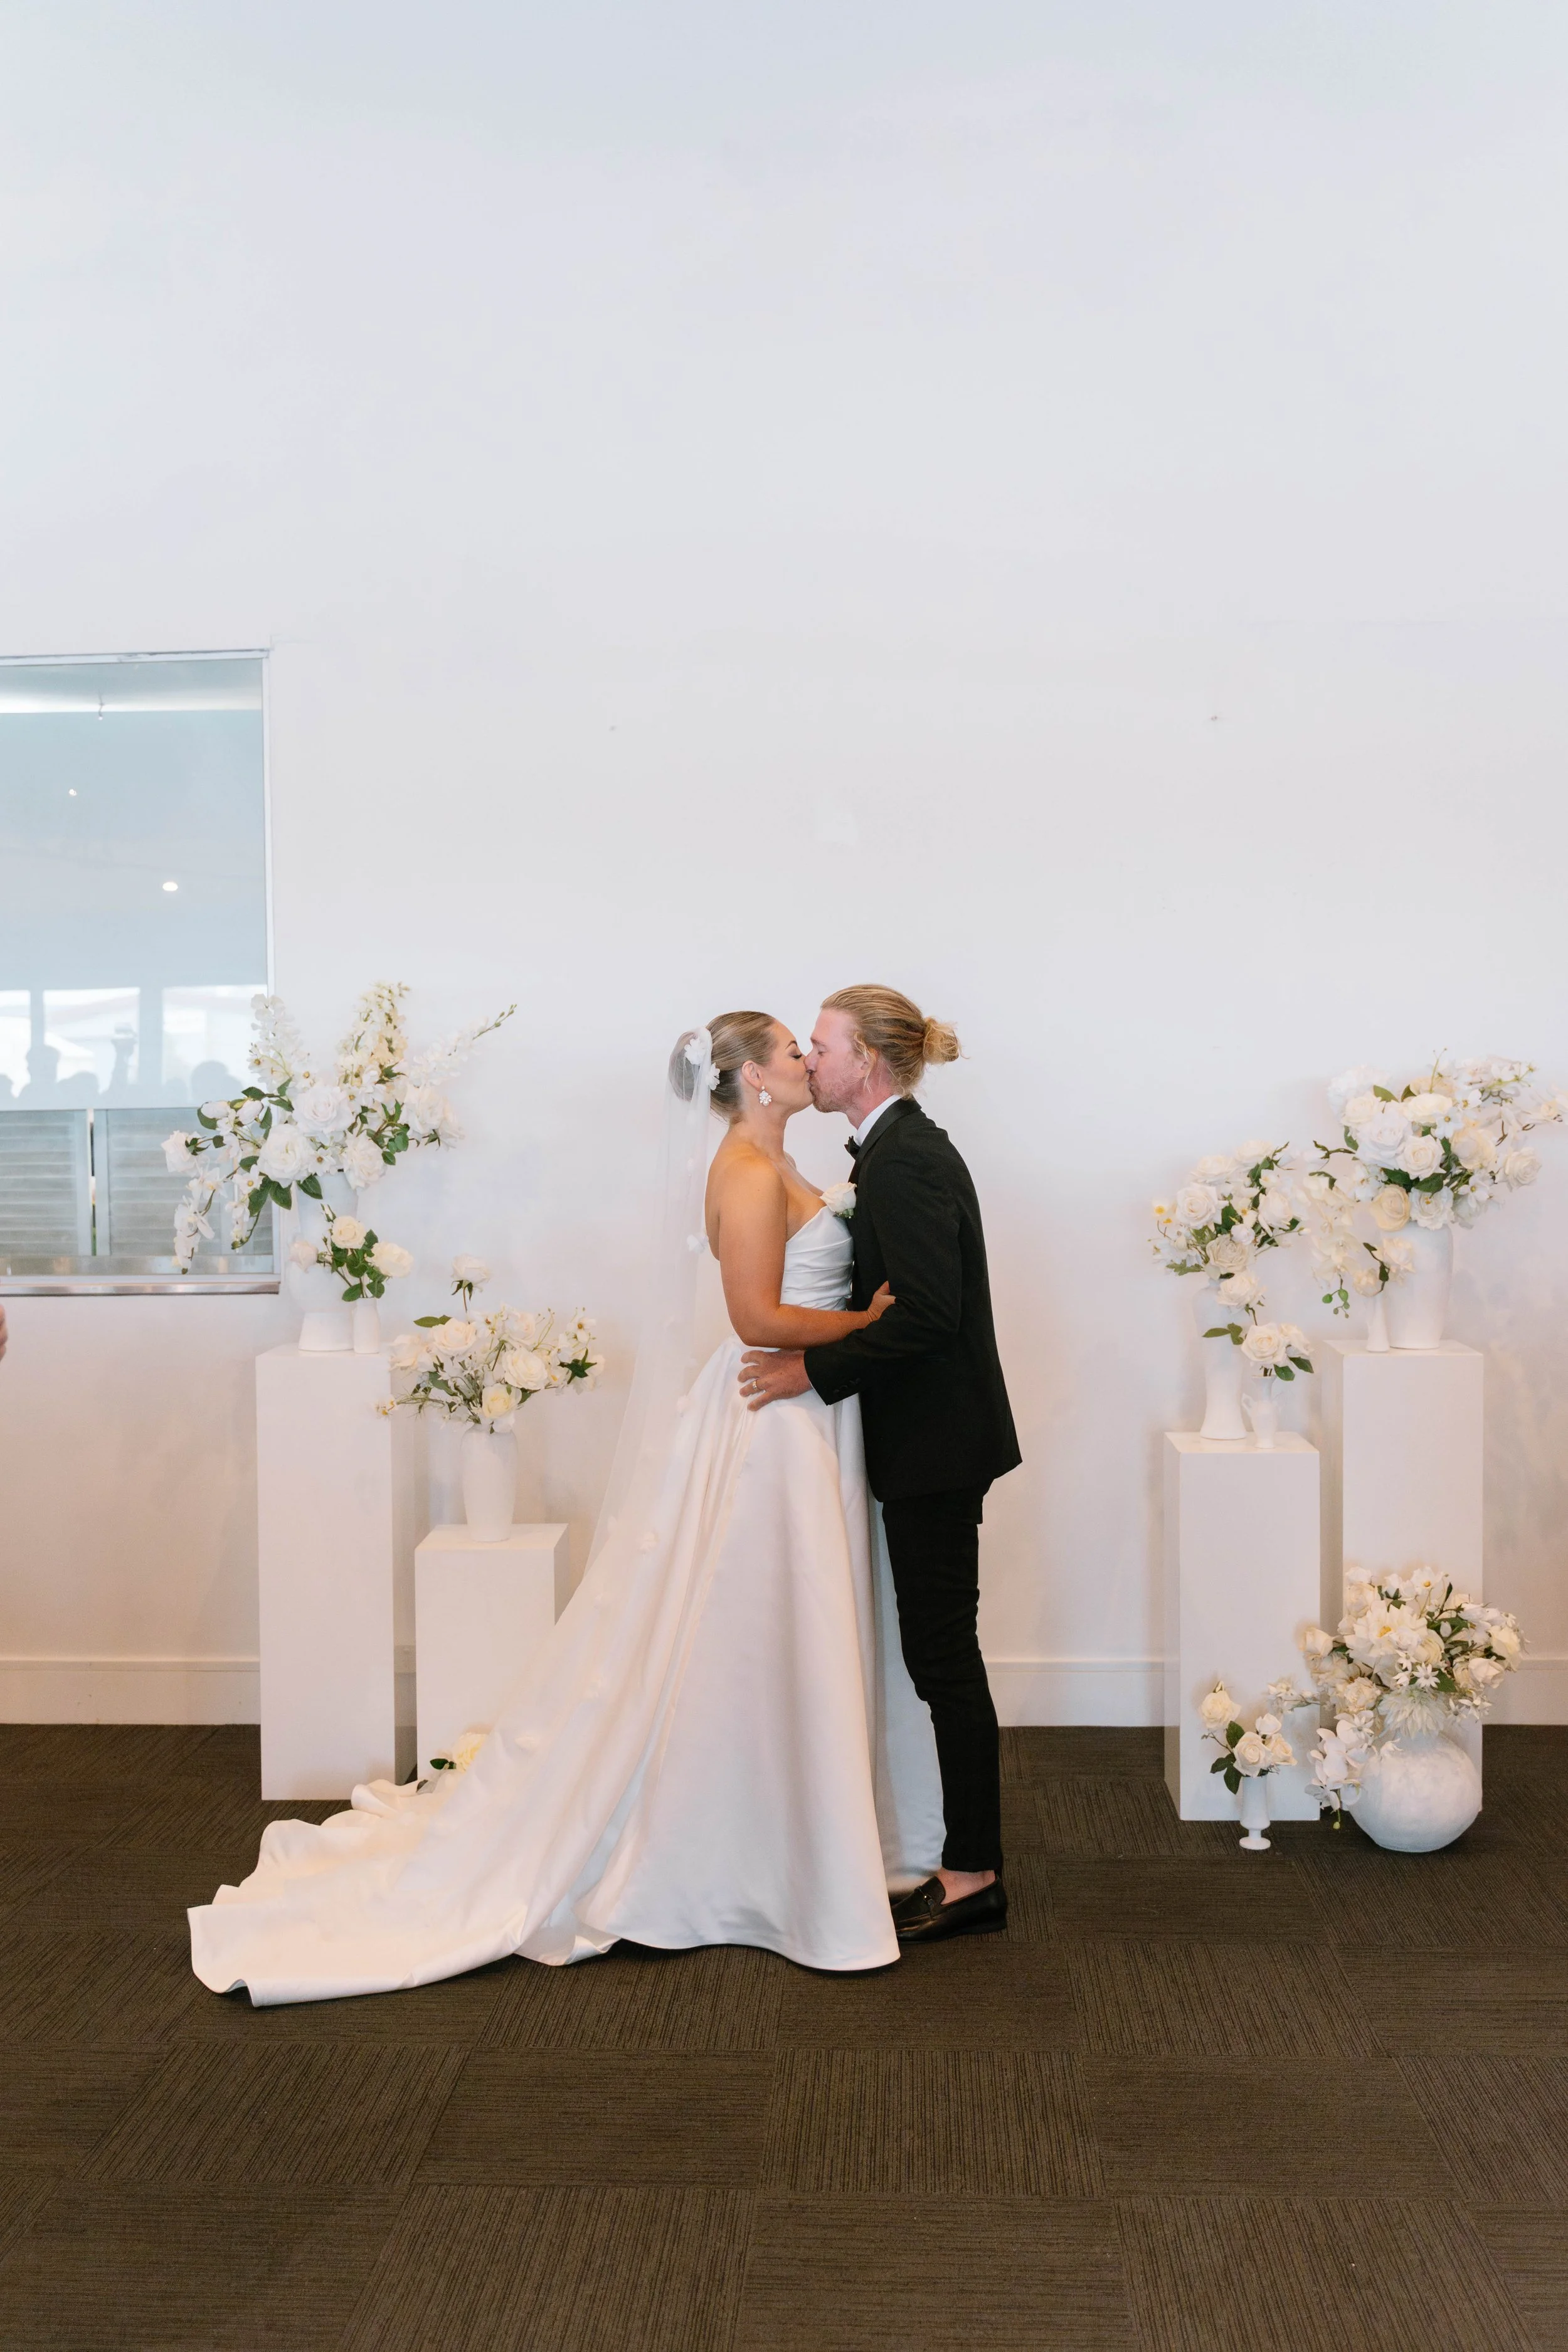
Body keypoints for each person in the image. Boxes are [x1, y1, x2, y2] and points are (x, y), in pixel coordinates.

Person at [189, 1015, 944, 2004]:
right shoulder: (750, 1175)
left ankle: (799, 1832)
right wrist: (872, 1322)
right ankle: (751, 1852)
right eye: (792, 1051)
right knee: (756, 1618)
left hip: (807, 1408)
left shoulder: (772, 1158)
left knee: (770, 1627)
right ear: (755, 1077)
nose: (808, 1059)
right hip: (774, 1413)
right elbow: (755, 1317)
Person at [741, 985, 1020, 1943]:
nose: (810, 1061)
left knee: (944, 1656)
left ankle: (974, 1871)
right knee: (938, 1652)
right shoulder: (898, 1151)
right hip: (932, 1437)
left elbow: (930, 1317)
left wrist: (809, 1368)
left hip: (936, 1444)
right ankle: (965, 1857)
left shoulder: (904, 1161)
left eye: (821, 1046)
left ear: (867, 1062)